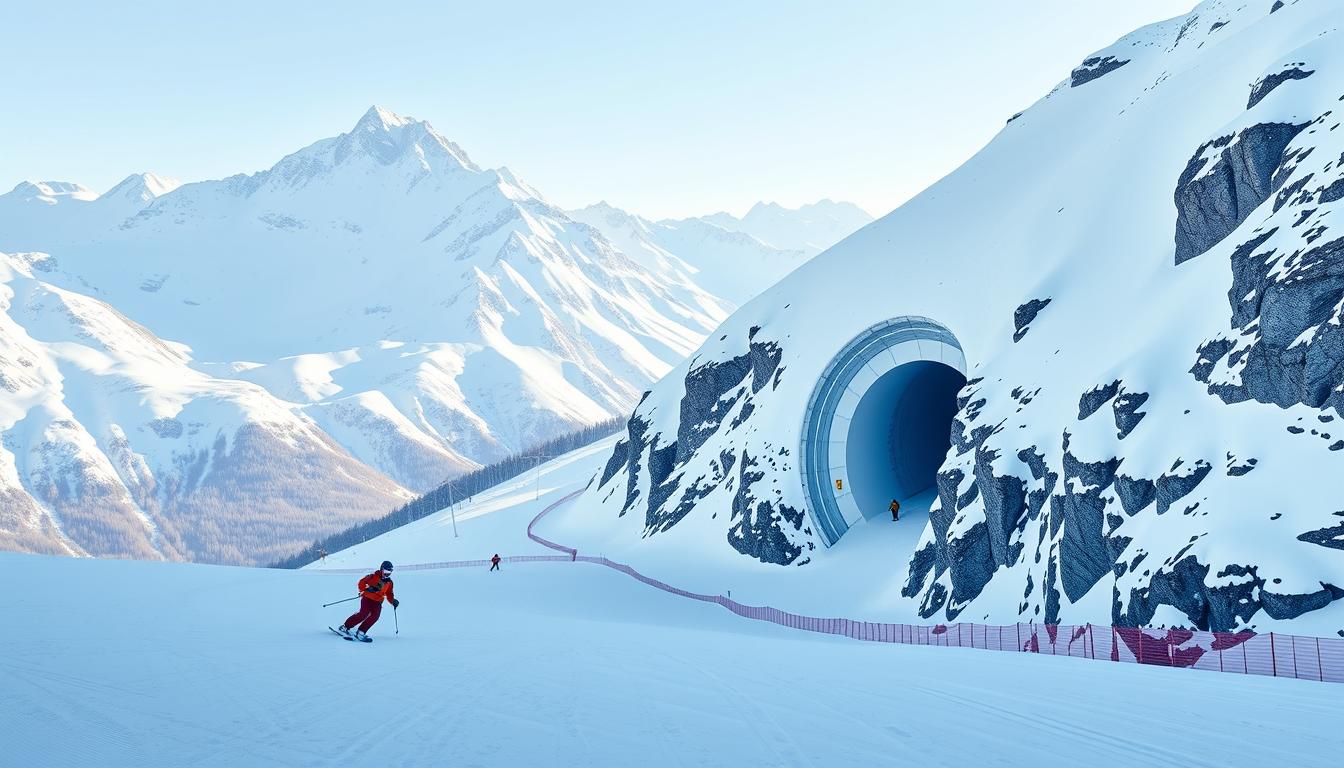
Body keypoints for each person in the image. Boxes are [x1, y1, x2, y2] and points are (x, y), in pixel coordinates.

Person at [336, 560, 399, 641]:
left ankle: (361, 632)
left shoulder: (389, 582)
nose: (388, 573)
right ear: (381, 569)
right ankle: (344, 627)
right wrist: (367, 588)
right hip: (367, 598)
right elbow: (361, 583)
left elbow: (389, 593)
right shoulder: (372, 576)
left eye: (390, 571)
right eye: (386, 571)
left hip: (378, 602)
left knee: (375, 617)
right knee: (363, 614)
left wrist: (393, 601)